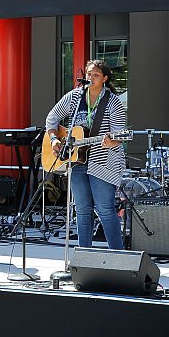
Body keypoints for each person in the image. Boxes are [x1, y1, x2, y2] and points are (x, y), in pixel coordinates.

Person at [45, 60, 127, 250]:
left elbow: (119, 133)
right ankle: (84, 256)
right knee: (82, 210)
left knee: (105, 210)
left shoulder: (113, 102)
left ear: (105, 78)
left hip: (103, 161)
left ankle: (119, 256)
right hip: (77, 160)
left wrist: (113, 141)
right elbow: (52, 117)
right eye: (89, 74)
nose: (90, 77)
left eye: (96, 75)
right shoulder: (76, 96)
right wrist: (54, 139)